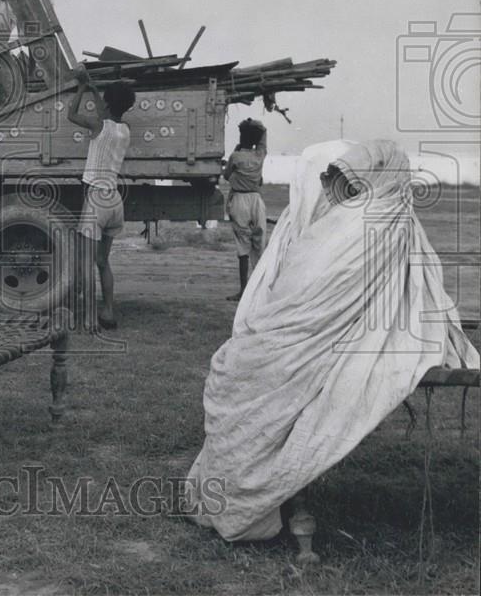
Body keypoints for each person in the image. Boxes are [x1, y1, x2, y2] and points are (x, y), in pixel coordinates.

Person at [184, 140, 480, 542]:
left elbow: (376, 295)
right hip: (290, 335)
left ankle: (248, 490)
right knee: (243, 374)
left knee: (247, 377)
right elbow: (300, 290)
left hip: (313, 340)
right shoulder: (351, 221)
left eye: (349, 182)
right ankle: (245, 487)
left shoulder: (380, 223)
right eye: (336, 181)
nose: (338, 192)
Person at [67, 68, 136, 330]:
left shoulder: (98, 126)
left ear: (107, 104)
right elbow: (107, 113)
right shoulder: (124, 130)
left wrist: (82, 88)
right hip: (114, 201)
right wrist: (96, 88)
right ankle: (108, 311)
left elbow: (71, 115)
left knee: (85, 263)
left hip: (95, 200)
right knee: (102, 261)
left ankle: (87, 318)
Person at [223, 118, 267, 301]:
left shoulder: (236, 156)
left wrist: (237, 149)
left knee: (243, 245)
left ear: (242, 137)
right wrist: (259, 127)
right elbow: (263, 136)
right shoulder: (260, 155)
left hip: (239, 199)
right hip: (256, 200)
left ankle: (243, 290)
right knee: (260, 244)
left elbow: (226, 176)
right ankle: (260, 290)